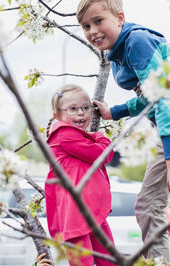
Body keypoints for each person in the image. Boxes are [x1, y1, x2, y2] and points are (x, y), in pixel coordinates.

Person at [76, 0, 170, 260]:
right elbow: (149, 96)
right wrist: (116, 111)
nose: (92, 31)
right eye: (86, 26)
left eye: (98, 21)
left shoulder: (137, 42)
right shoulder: (119, 51)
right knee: (147, 205)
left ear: (120, 18)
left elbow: (164, 99)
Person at [45, 84, 115, 266]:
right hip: (75, 216)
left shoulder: (78, 136)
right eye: (73, 109)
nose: (81, 113)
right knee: (83, 263)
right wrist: (100, 136)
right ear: (57, 115)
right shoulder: (64, 134)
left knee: (110, 261)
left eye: (86, 108)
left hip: (92, 213)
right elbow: (103, 155)